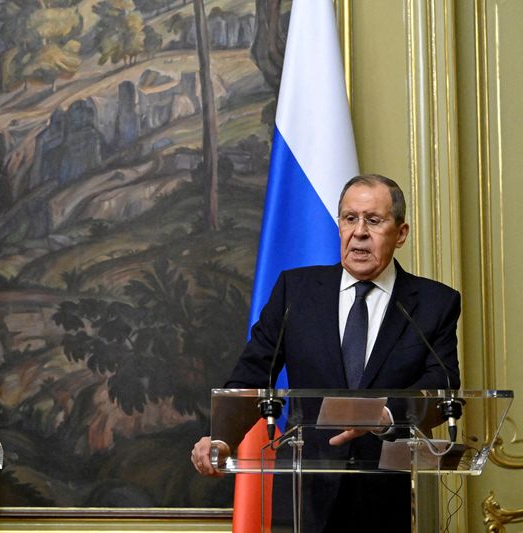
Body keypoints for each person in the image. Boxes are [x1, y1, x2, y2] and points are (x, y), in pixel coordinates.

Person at [190, 175, 461, 532]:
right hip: (305, 490)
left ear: (402, 233)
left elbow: (442, 384)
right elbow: (254, 373)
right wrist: (223, 438)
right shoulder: (295, 291)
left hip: (384, 489)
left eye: (374, 220)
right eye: (350, 218)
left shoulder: (433, 303)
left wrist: (383, 414)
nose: (359, 232)